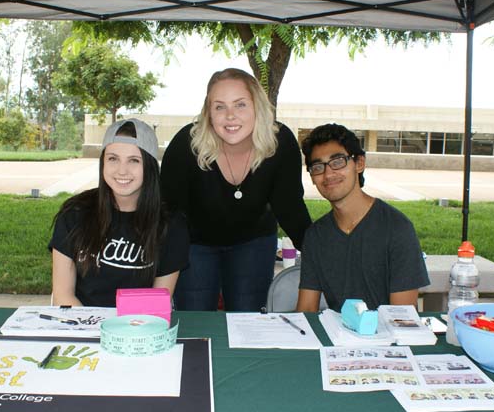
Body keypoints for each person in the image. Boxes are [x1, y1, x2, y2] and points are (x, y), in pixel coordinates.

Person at [161, 68, 311, 311]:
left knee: (248, 321)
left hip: (254, 241)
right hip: (195, 244)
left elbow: (291, 208)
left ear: (257, 106)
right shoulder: (186, 146)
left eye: (240, 105)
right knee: (196, 322)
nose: (230, 116)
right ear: (208, 113)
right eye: (219, 107)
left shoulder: (280, 143)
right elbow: (167, 213)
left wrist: (322, 256)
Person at [50, 118, 189, 307]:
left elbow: (157, 303)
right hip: (81, 324)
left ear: (149, 166)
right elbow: (63, 296)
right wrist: (93, 332)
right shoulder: (74, 214)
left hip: (138, 328)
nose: (122, 170)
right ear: (103, 163)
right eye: (113, 159)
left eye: (133, 160)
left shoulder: (171, 224)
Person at [296, 123, 429, 312]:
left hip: (387, 338)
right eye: (318, 166)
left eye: (338, 162)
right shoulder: (316, 236)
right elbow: (306, 310)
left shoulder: (397, 228)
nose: (328, 173)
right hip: (338, 337)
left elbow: (403, 316)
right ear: (312, 176)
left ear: (359, 163)